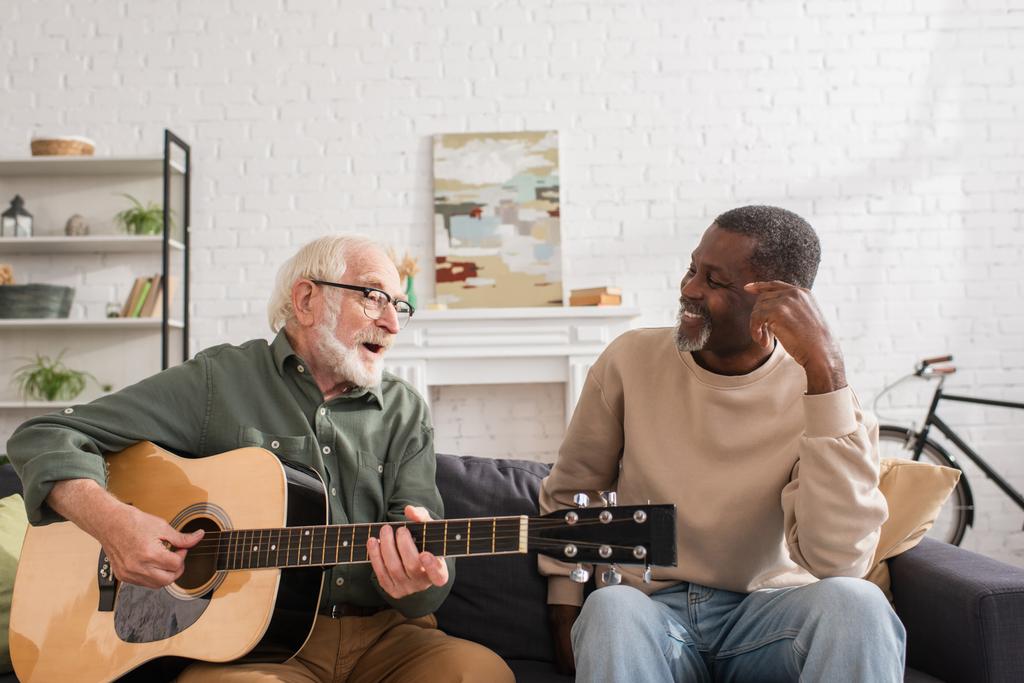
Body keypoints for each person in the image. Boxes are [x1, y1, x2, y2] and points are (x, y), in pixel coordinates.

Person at [8, 235, 513, 683]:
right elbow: (46, 434)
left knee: (479, 673)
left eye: (399, 307)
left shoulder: (404, 411)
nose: (391, 323)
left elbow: (427, 552)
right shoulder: (216, 382)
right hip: (254, 650)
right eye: (375, 297)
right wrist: (113, 523)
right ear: (307, 299)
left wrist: (420, 580)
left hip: (387, 640)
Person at [539, 205, 906, 682]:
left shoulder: (826, 399)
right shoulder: (629, 362)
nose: (689, 288)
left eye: (715, 281)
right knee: (609, 609)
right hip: (653, 613)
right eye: (693, 268)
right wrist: (564, 608)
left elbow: (840, 561)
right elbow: (573, 491)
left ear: (776, 304)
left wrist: (827, 372)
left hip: (770, 616)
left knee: (858, 604)